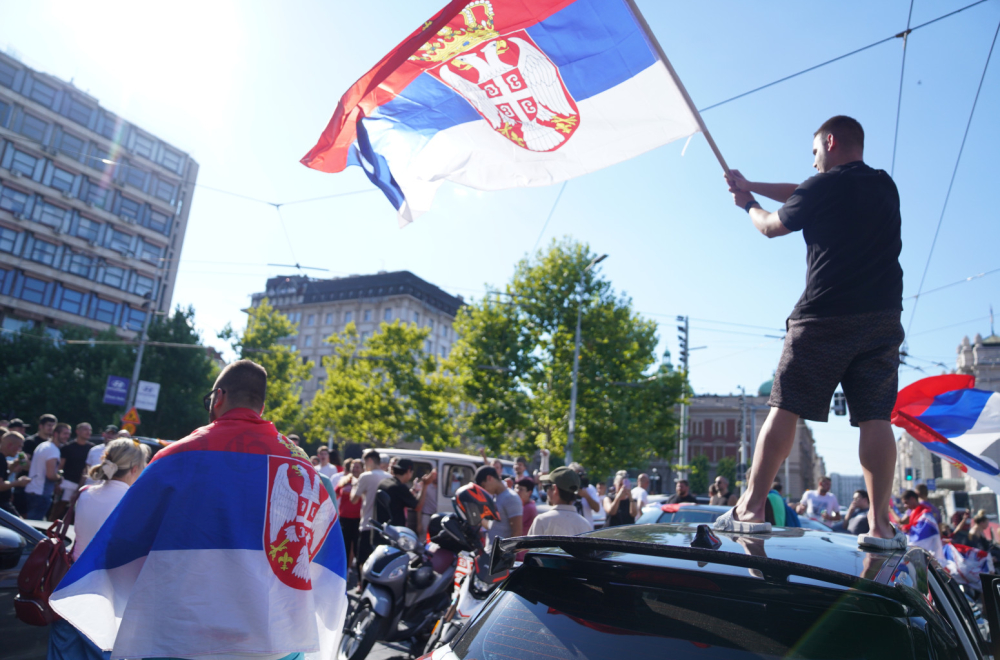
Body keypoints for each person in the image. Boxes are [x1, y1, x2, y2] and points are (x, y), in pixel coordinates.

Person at [50, 358, 345, 660]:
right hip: (276, 643)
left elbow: (121, 543)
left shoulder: (176, 457)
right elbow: (325, 562)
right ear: (262, 407)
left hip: (182, 638)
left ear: (218, 398)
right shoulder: (303, 469)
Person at [721, 116, 904, 548]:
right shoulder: (883, 185)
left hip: (825, 314)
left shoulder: (823, 187)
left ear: (829, 140)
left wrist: (747, 205)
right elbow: (807, 191)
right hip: (883, 316)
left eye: (815, 153)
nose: (815, 162)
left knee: (784, 407)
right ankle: (880, 527)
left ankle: (750, 508)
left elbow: (771, 226)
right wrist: (752, 184)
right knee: (876, 417)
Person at [72, 438, 149, 560]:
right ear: (134, 469)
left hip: (74, 572)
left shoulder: (85, 492)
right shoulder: (133, 502)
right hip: (105, 576)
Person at [352, 448, 389, 586]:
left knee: (363, 558)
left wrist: (355, 484)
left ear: (370, 460)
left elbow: (353, 499)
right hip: (383, 525)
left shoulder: (365, 476)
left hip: (367, 523)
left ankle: (362, 585)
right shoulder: (389, 477)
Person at [527, 467, 591, 537]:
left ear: (555, 489)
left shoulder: (541, 521)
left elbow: (531, 548)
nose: (546, 491)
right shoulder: (586, 525)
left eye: (546, 487)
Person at [52, 422, 94, 520]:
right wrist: (57, 482)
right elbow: (60, 467)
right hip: (67, 482)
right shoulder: (67, 448)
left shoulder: (91, 448)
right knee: (59, 510)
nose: (88, 432)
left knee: (77, 514)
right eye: (85, 429)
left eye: (90, 430)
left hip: (83, 485)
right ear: (77, 432)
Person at [475, 466, 523, 548]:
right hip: (490, 552)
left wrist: (504, 555)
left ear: (489, 478)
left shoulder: (510, 497)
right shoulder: (496, 497)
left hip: (500, 556)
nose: (484, 490)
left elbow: (517, 532)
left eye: (483, 486)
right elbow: (494, 526)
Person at [376, 458, 429, 528]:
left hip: (381, 528)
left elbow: (400, 498)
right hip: (394, 531)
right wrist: (425, 485)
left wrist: (413, 490)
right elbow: (418, 506)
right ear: (408, 471)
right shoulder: (399, 487)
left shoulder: (383, 482)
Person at [24, 424, 62, 520]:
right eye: (65, 433)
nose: (68, 436)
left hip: (32, 490)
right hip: (40, 493)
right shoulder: (53, 449)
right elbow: (50, 475)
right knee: (32, 528)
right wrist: (60, 477)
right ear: (56, 434)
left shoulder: (43, 445)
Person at [335, 459, 363, 571]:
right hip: (344, 518)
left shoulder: (364, 481)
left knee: (358, 548)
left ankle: (359, 576)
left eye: (357, 467)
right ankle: (344, 572)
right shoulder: (344, 480)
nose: (355, 469)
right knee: (344, 547)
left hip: (358, 519)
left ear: (362, 469)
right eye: (353, 467)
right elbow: (334, 494)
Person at [0, 431, 30, 516]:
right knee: (22, 528)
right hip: (2, 505)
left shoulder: (2, 459)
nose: (20, 451)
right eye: (19, 447)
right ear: (9, 445)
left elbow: (3, 476)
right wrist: (18, 482)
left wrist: (14, 464)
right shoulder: (1, 459)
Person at [569, 463, 600, 527]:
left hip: (587, 528)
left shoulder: (590, 488)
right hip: (571, 527)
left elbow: (597, 509)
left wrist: (586, 495)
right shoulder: (566, 489)